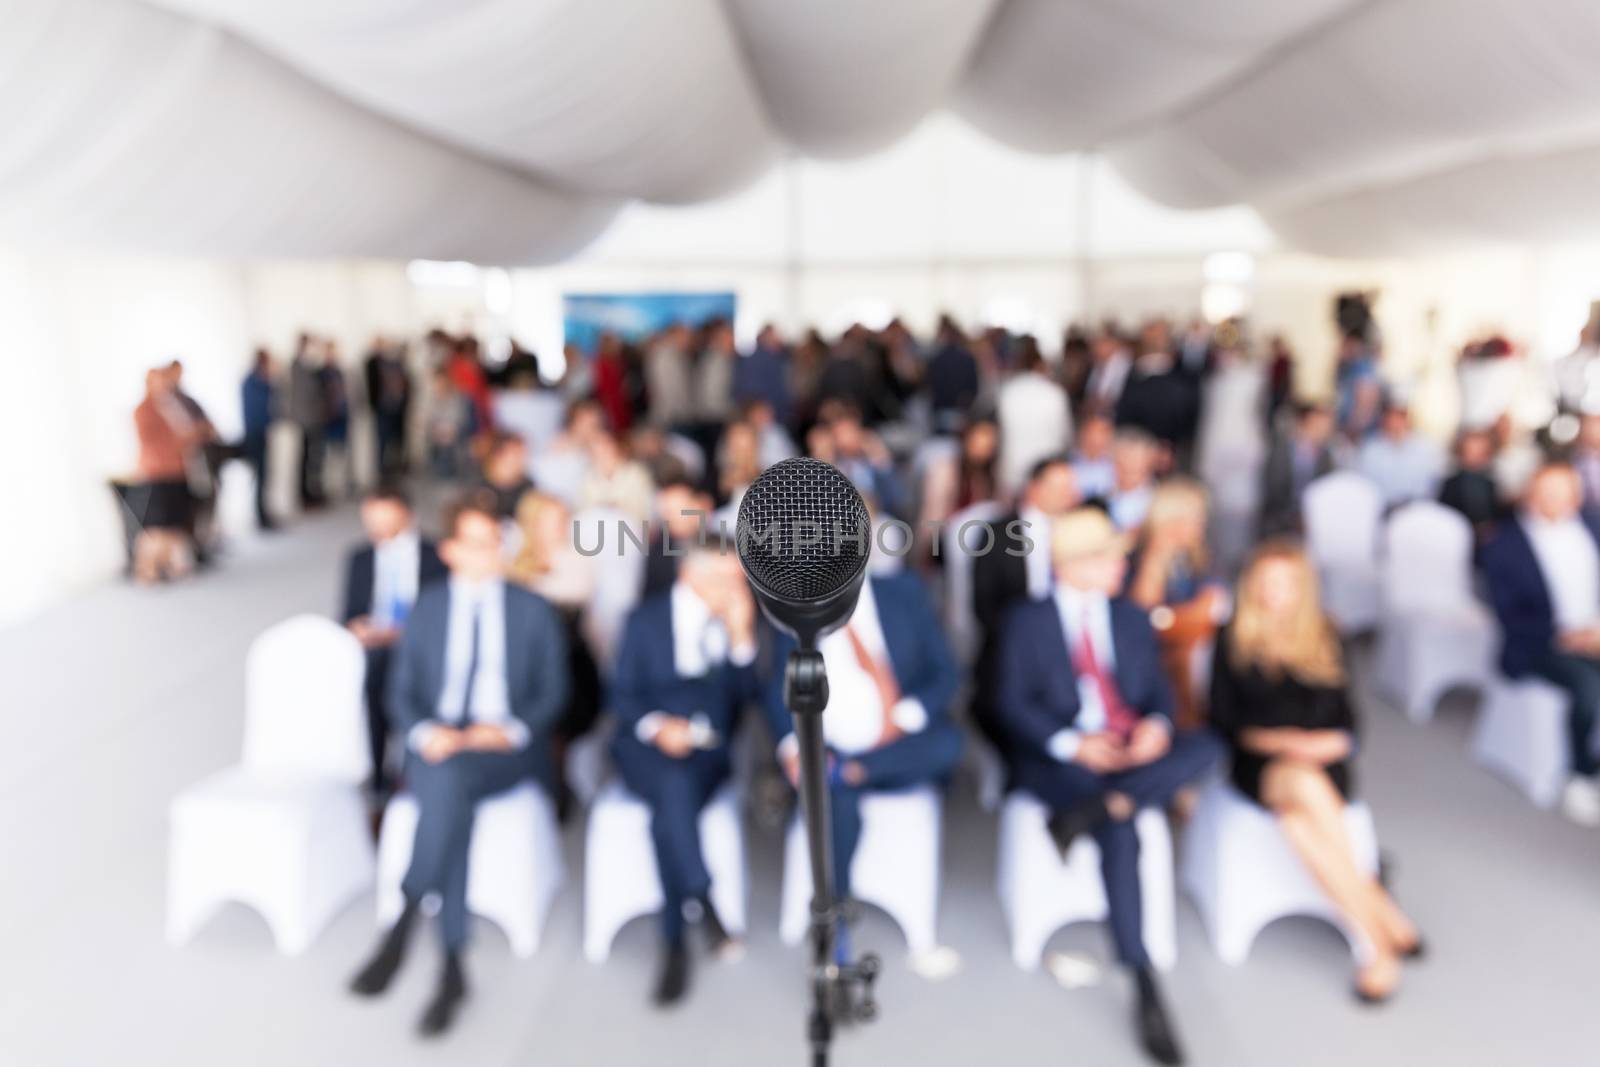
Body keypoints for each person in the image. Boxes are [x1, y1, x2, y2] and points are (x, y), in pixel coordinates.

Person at [996, 508, 1222, 1066]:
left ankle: (1099, 808)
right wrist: (1073, 743)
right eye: (1109, 556)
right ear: (1074, 566)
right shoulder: (1027, 620)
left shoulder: (1129, 616)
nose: (1122, 564)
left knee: (1208, 744)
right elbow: (1010, 704)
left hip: (1128, 756)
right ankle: (1143, 982)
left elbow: (1160, 694)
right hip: (1067, 759)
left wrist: (1156, 726)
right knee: (1122, 833)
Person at [349, 492, 569, 1036]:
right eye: (474, 543)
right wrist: (429, 733)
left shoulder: (532, 608)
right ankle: (451, 963)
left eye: (494, 540)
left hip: (506, 750)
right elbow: (400, 695)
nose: (488, 552)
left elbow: (554, 693)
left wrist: (509, 728)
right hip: (439, 747)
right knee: (449, 791)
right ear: (449, 551)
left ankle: (404, 923)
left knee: (446, 794)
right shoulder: (426, 609)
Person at [1210, 543, 1425, 1002]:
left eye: (1283, 585)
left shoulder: (1328, 633)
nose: (1271, 594)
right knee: (1303, 783)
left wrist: (1328, 743)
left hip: (1324, 764)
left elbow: (1349, 721)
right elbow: (1224, 719)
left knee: (1298, 823)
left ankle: (1372, 913)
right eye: (1263, 584)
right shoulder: (1232, 637)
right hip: (1262, 763)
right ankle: (1377, 932)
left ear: (1301, 588)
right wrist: (1285, 742)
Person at [763, 567, 965, 977]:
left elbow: (945, 673)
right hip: (824, 742)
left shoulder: (904, 595)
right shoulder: (792, 607)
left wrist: (906, 716)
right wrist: (792, 749)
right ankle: (833, 918)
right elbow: (774, 686)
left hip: (895, 741)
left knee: (947, 743)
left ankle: (848, 772)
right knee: (835, 799)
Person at [609, 536, 759, 1005]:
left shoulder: (738, 619)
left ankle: (675, 940)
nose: (733, 590)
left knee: (669, 809)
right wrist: (658, 728)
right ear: (690, 576)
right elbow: (620, 696)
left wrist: (740, 641)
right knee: (671, 789)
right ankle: (702, 903)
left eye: (738, 580)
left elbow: (749, 699)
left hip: (706, 753)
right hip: (646, 747)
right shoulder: (644, 619)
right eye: (723, 579)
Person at [1482, 463, 1600, 826]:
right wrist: (1569, 637)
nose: (1556, 500)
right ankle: (1581, 774)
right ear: (1530, 493)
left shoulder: (1592, 529)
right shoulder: (1504, 544)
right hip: (1541, 643)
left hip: (1595, 634)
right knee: (1588, 686)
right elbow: (1510, 615)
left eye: (1564, 492)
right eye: (1547, 491)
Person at [339, 485, 447, 795]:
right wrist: (355, 627)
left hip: (420, 642)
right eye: (372, 523)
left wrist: (403, 632)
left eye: (387, 523)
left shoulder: (435, 555)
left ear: (407, 516)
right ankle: (375, 770)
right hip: (374, 645)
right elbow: (348, 612)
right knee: (374, 672)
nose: (379, 531)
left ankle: (413, 765)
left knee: (398, 671)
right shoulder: (360, 557)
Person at [971, 456, 1081, 752]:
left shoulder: (1080, 528)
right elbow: (983, 604)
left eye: (1071, 487)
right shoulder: (996, 533)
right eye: (1059, 487)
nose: (1069, 495)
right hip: (1013, 644)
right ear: (1034, 488)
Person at [509, 492, 602, 815]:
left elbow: (573, 597)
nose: (562, 527)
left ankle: (554, 790)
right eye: (554, 521)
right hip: (522, 664)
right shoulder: (515, 560)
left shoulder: (576, 559)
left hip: (570, 664)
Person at [1126, 480, 1227, 729]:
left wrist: (1171, 618)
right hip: (1154, 657)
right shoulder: (1139, 556)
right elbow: (1142, 616)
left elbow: (1213, 604)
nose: (1201, 527)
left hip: (1194, 648)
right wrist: (1158, 553)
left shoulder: (1197, 556)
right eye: (1195, 520)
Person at [131, 367, 198, 584]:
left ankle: (168, 565)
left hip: (175, 471)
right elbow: (158, 442)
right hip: (157, 473)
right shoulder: (143, 411)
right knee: (156, 527)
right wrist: (182, 440)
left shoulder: (167, 406)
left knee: (173, 524)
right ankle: (146, 570)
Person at [997, 345, 1072, 496]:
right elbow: (1066, 434)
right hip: (1045, 469)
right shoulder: (1055, 393)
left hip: (1012, 466)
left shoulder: (1007, 391)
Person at [1259, 402, 1337, 537]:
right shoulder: (1281, 451)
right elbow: (1273, 490)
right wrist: (1293, 518)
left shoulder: (1326, 456)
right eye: (1320, 425)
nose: (1325, 430)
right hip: (1281, 522)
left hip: (1313, 522)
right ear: (1306, 423)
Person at [1357, 403, 1445, 510]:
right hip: (1381, 509)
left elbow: (1433, 484)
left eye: (1399, 418)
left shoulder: (1426, 449)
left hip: (1416, 510)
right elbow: (1364, 484)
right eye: (1391, 418)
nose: (1395, 423)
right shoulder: (1371, 450)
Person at [643, 474, 716, 597]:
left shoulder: (729, 550)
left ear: (703, 505)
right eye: (667, 512)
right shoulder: (657, 554)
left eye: (679, 510)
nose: (670, 518)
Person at [1437, 428, 1504, 544]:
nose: (1477, 457)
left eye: (1482, 452)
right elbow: (1444, 518)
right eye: (1472, 452)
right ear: (1462, 453)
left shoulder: (1491, 484)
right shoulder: (1449, 485)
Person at [578, 430, 656, 526]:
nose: (601, 454)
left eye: (605, 448)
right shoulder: (588, 477)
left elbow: (646, 511)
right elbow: (583, 511)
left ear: (616, 448)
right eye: (595, 450)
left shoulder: (636, 474)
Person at [364, 337, 412, 480]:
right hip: (383, 409)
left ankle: (394, 468)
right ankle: (381, 471)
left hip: (397, 410)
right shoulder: (374, 363)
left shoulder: (397, 365)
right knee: (382, 441)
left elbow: (404, 386)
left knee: (395, 441)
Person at [288, 335, 327, 509]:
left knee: (314, 459)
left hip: (313, 420)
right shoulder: (298, 366)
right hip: (306, 420)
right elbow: (307, 393)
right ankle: (305, 497)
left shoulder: (308, 366)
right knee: (305, 460)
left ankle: (312, 493)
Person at [240, 349, 277, 530]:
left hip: (261, 433)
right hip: (254, 435)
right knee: (259, 476)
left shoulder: (258, 380)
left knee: (265, 476)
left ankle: (264, 513)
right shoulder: (252, 382)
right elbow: (259, 409)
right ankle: (260, 516)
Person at [1107, 429, 1160, 531]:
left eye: (1135, 461)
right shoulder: (1100, 499)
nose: (1128, 466)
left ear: (1150, 463)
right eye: (1123, 460)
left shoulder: (1160, 501)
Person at [476, 431, 535, 521]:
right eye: (516, 453)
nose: (522, 458)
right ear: (498, 454)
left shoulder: (527, 485)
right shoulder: (479, 486)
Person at [1071, 412, 1117, 500]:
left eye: (1102, 433)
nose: (1095, 438)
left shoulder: (1120, 466)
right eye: (1091, 432)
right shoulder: (1067, 463)